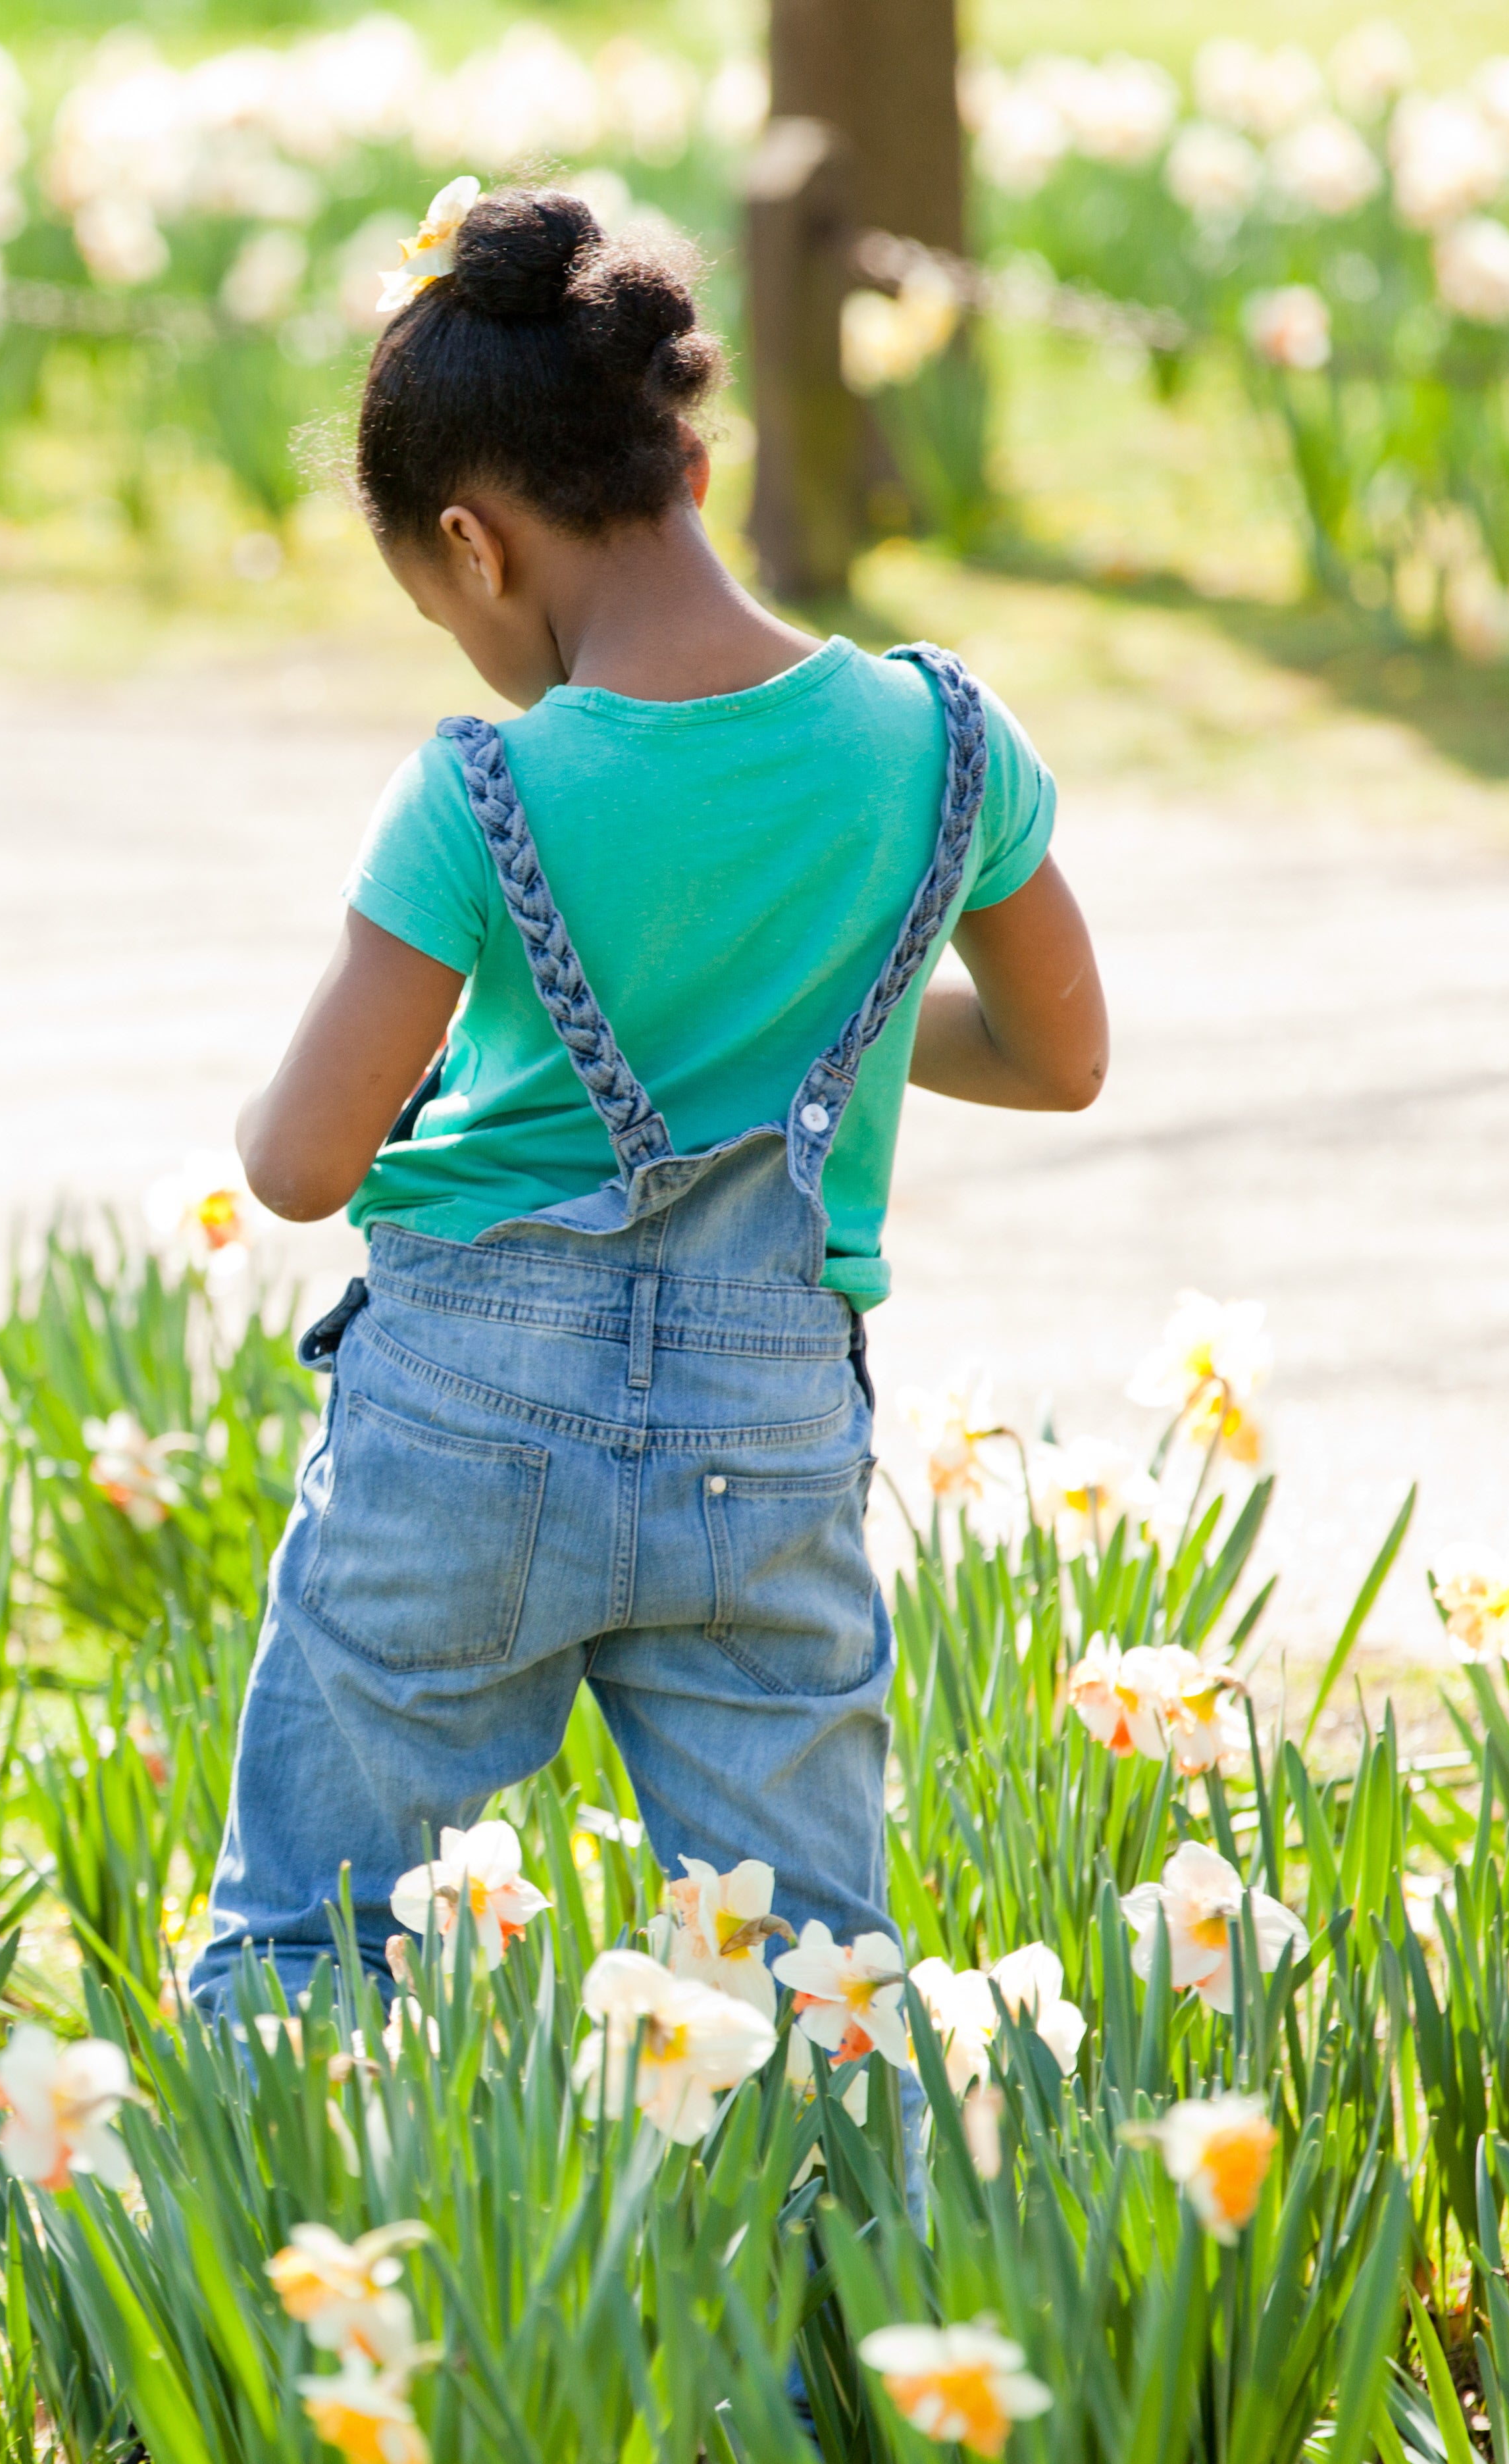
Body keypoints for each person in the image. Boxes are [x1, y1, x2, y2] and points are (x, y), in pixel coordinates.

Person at [182, 188, 1108, 2019]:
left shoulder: (481, 789)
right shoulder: (944, 747)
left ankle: (271, 2277)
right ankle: (867, 2300)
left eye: (437, 598)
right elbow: (1059, 1059)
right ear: (689, 452)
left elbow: (300, 1167)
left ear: (471, 541)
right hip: (760, 1443)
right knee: (810, 1974)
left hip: (463, 1433)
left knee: (318, 1941)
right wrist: (822, 1009)